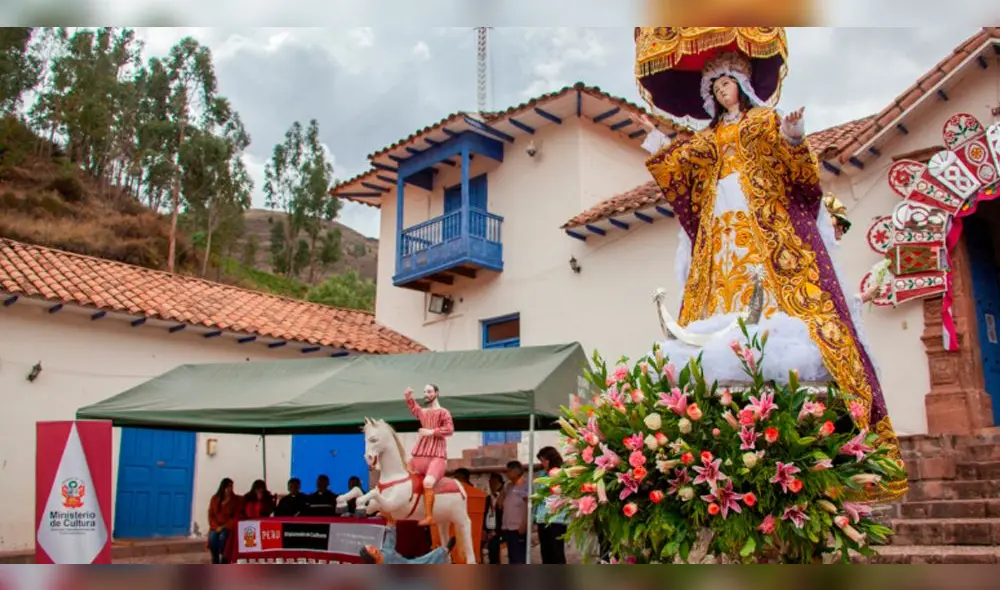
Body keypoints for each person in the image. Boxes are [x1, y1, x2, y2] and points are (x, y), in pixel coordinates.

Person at [635, 37, 903, 501]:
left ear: (742, 86)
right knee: (721, 293)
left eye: (728, 85)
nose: (722, 94)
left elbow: (801, 179)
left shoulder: (765, 122)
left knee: (788, 303)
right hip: (721, 226)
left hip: (767, 226)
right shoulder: (707, 140)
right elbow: (680, 178)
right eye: (714, 89)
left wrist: (796, 140)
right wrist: (659, 146)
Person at [404, 384, 455, 526]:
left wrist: (432, 432)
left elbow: (450, 429)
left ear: (436, 393)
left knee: (428, 482)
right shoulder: (424, 412)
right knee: (402, 476)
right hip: (420, 454)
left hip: (436, 456)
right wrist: (409, 398)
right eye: (425, 391)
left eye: (429, 391)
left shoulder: (443, 412)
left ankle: (429, 516)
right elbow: (415, 409)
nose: (426, 394)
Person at [534, 447, 568, 564]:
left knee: (557, 553)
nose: (542, 463)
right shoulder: (541, 475)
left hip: (557, 520)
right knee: (546, 553)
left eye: (543, 460)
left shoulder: (562, 474)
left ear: (549, 460)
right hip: (542, 519)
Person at [360, 525, 456, 564]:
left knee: (427, 559)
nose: (374, 549)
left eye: (372, 547)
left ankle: (445, 551)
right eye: (371, 551)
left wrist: (389, 524)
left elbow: (390, 539)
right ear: (370, 557)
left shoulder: (385, 551)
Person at [500, 461, 529, 564]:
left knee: (519, 557)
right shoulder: (508, 486)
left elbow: (528, 506)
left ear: (516, 471)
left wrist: (524, 523)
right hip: (508, 527)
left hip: (518, 527)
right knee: (511, 557)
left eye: (509, 471)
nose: (507, 474)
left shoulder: (526, 485)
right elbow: (500, 504)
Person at [207, 478, 239, 564]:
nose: (230, 489)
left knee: (223, 537)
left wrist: (224, 526)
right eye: (228, 486)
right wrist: (215, 526)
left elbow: (235, 517)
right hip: (216, 526)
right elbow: (211, 515)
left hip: (228, 526)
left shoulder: (234, 500)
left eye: (231, 487)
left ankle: (224, 559)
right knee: (212, 537)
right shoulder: (215, 499)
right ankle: (215, 559)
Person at [484, 472, 504, 564]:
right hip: (489, 531)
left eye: (495, 482)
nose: (492, 485)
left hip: (499, 531)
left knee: (499, 556)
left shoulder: (503, 497)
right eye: (490, 482)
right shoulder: (487, 498)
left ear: (500, 483)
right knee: (491, 556)